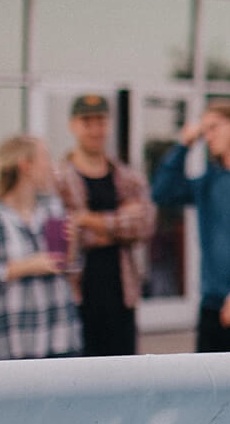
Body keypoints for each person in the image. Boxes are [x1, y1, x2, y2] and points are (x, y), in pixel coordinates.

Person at [153, 102, 230, 354]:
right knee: (211, 390)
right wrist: (184, 145)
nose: (208, 136)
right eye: (204, 130)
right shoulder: (210, 182)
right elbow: (163, 192)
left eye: (214, 127)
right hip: (212, 307)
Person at [0, 134, 80, 360]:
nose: (51, 166)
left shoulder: (52, 207)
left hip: (55, 336)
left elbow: (65, 266)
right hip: (8, 339)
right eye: (45, 158)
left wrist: (71, 245)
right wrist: (26, 266)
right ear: (25, 165)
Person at [55, 94, 155, 356]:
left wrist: (86, 220)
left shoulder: (128, 177)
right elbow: (60, 235)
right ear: (73, 125)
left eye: (100, 121)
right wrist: (118, 225)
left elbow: (144, 225)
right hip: (76, 296)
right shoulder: (58, 180)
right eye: (87, 122)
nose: (95, 129)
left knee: (124, 375)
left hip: (121, 294)